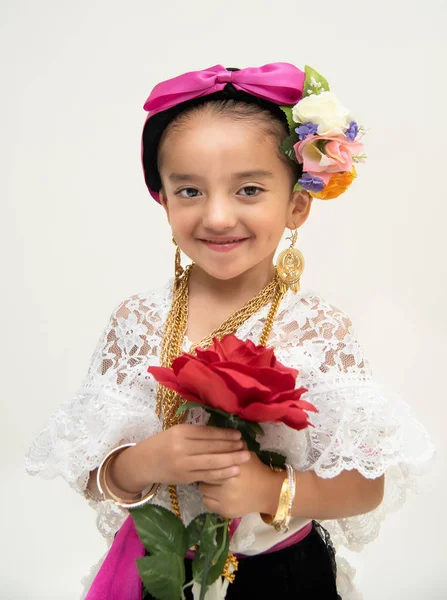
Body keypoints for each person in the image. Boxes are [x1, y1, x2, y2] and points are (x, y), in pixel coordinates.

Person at [25, 62, 434, 600]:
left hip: (282, 579)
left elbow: (364, 485)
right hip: (163, 572)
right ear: (164, 200)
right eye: (190, 191)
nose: (217, 216)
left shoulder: (315, 329)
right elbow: (90, 470)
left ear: (296, 205)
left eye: (247, 190)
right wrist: (143, 462)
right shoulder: (138, 321)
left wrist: (272, 489)